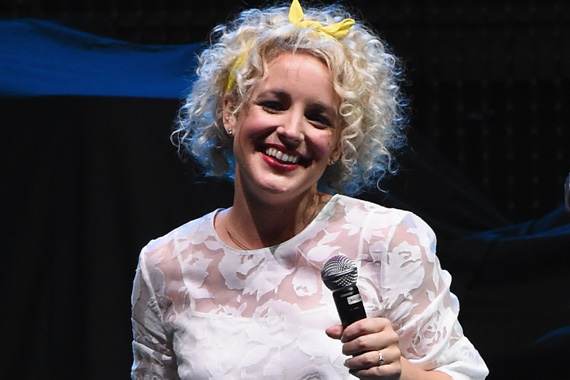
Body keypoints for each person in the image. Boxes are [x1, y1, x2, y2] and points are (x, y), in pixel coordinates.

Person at [130, 1, 489, 379]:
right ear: (231, 111)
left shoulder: (388, 240)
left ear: (338, 144)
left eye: (318, 118)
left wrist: (401, 373)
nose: (292, 131)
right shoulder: (166, 263)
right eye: (273, 104)